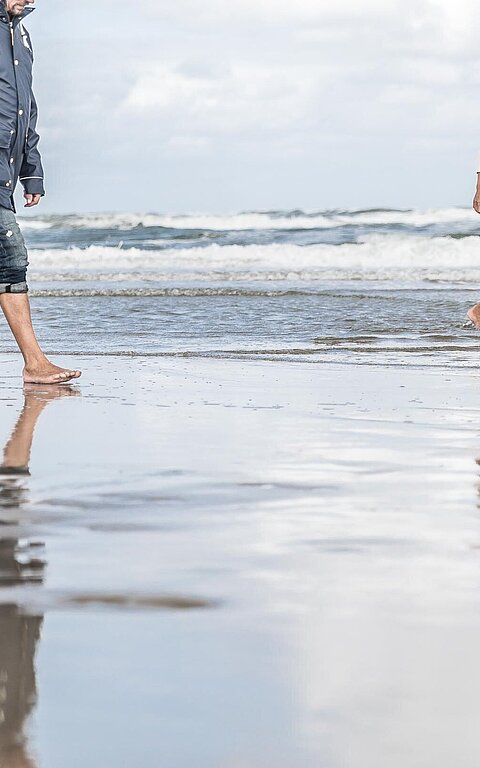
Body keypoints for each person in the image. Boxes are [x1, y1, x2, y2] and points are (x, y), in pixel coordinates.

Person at [0, 0, 81, 384]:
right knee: (10, 255)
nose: (31, 0)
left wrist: (32, 171)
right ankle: (34, 363)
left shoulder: (21, 34)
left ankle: (35, 364)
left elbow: (25, 108)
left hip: (7, 170)